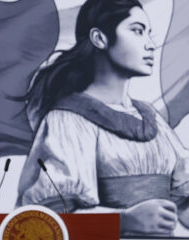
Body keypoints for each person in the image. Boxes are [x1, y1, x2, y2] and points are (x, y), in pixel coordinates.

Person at [16, 0, 189, 236]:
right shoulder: (68, 120)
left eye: (149, 33)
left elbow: (183, 200)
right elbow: (45, 218)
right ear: (99, 38)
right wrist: (123, 221)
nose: (150, 45)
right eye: (137, 31)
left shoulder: (152, 119)